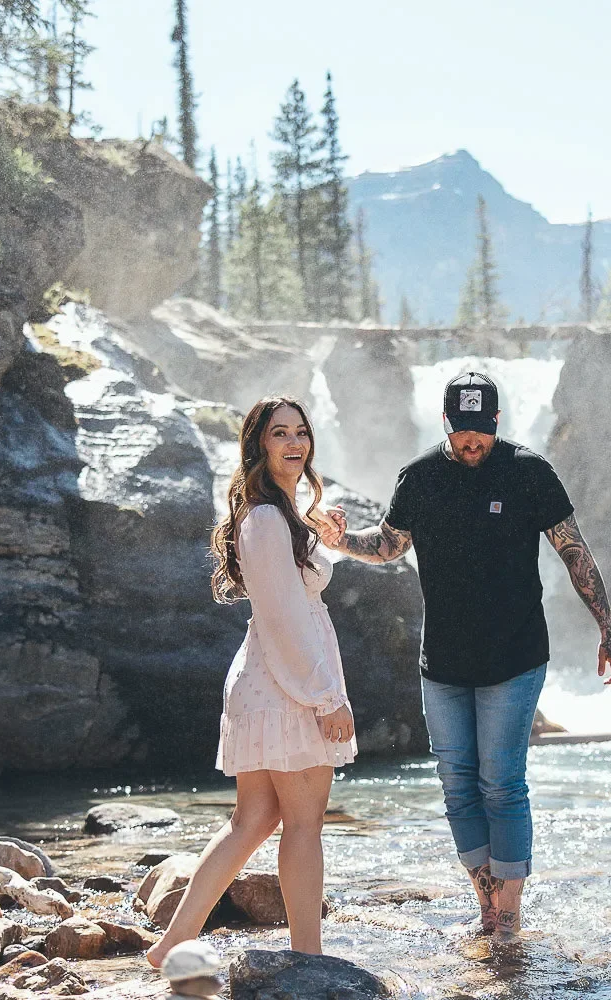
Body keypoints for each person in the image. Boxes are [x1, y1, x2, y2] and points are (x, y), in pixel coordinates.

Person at [319, 371, 611, 942]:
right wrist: (340, 541)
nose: (471, 442)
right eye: (462, 432)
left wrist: (608, 630)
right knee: (457, 785)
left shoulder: (529, 472)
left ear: (495, 424)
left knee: (502, 783)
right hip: (442, 664)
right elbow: (389, 545)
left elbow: (574, 551)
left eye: (480, 432)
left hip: (516, 658)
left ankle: (508, 913)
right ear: (447, 424)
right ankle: (485, 897)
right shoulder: (419, 477)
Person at [146, 396, 355, 966]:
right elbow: (285, 616)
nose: (295, 442)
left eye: (301, 432)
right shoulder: (265, 518)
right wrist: (327, 698)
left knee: (255, 820)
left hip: (273, 682)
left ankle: (169, 948)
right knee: (304, 823)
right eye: (280, 433)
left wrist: (316, 533)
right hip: (286, 687)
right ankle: (308, 957)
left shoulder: (277, 515)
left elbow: (290, 589)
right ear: (258, 444)